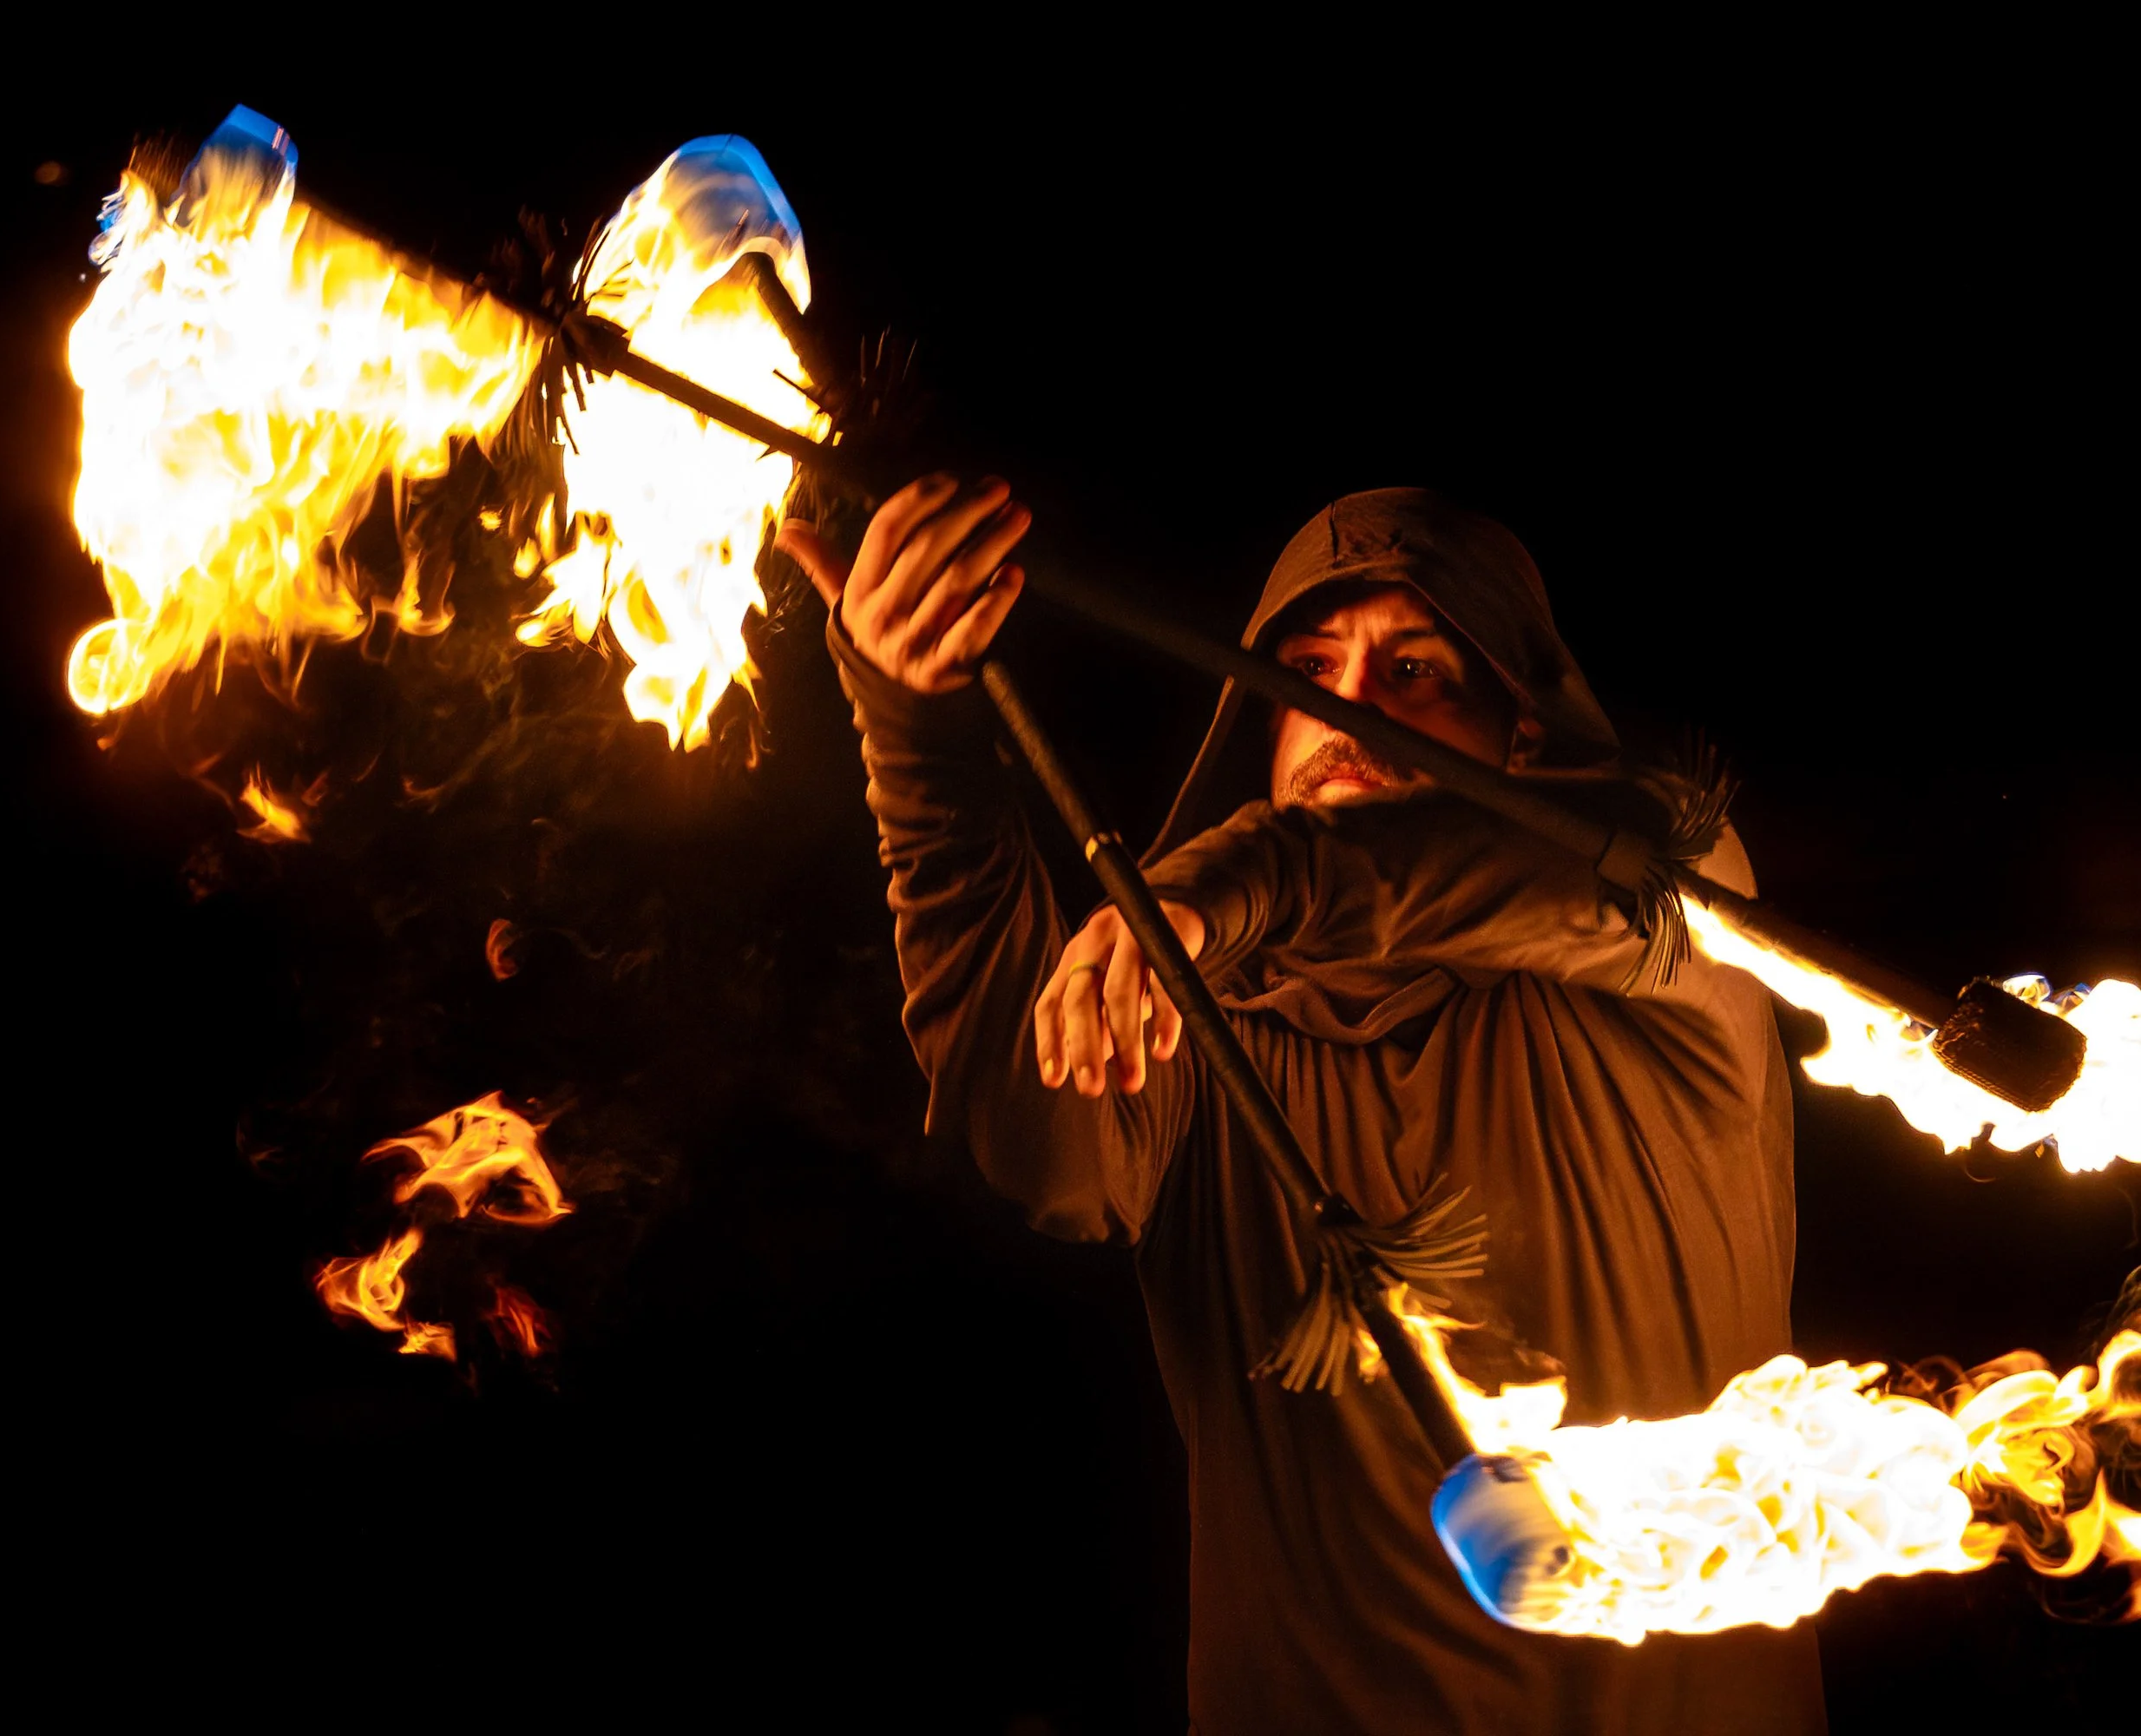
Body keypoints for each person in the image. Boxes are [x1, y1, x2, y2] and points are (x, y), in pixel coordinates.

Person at [778, 481, 1824, 1733]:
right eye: (1308, 669)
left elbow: (1642, 863)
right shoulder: (1202, 1025)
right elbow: (1043, 1150)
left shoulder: (1677, 933)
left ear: (1529, 735)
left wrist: (1233, 885)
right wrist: (921, 726)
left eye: (1416, 667)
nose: (1345, 705)